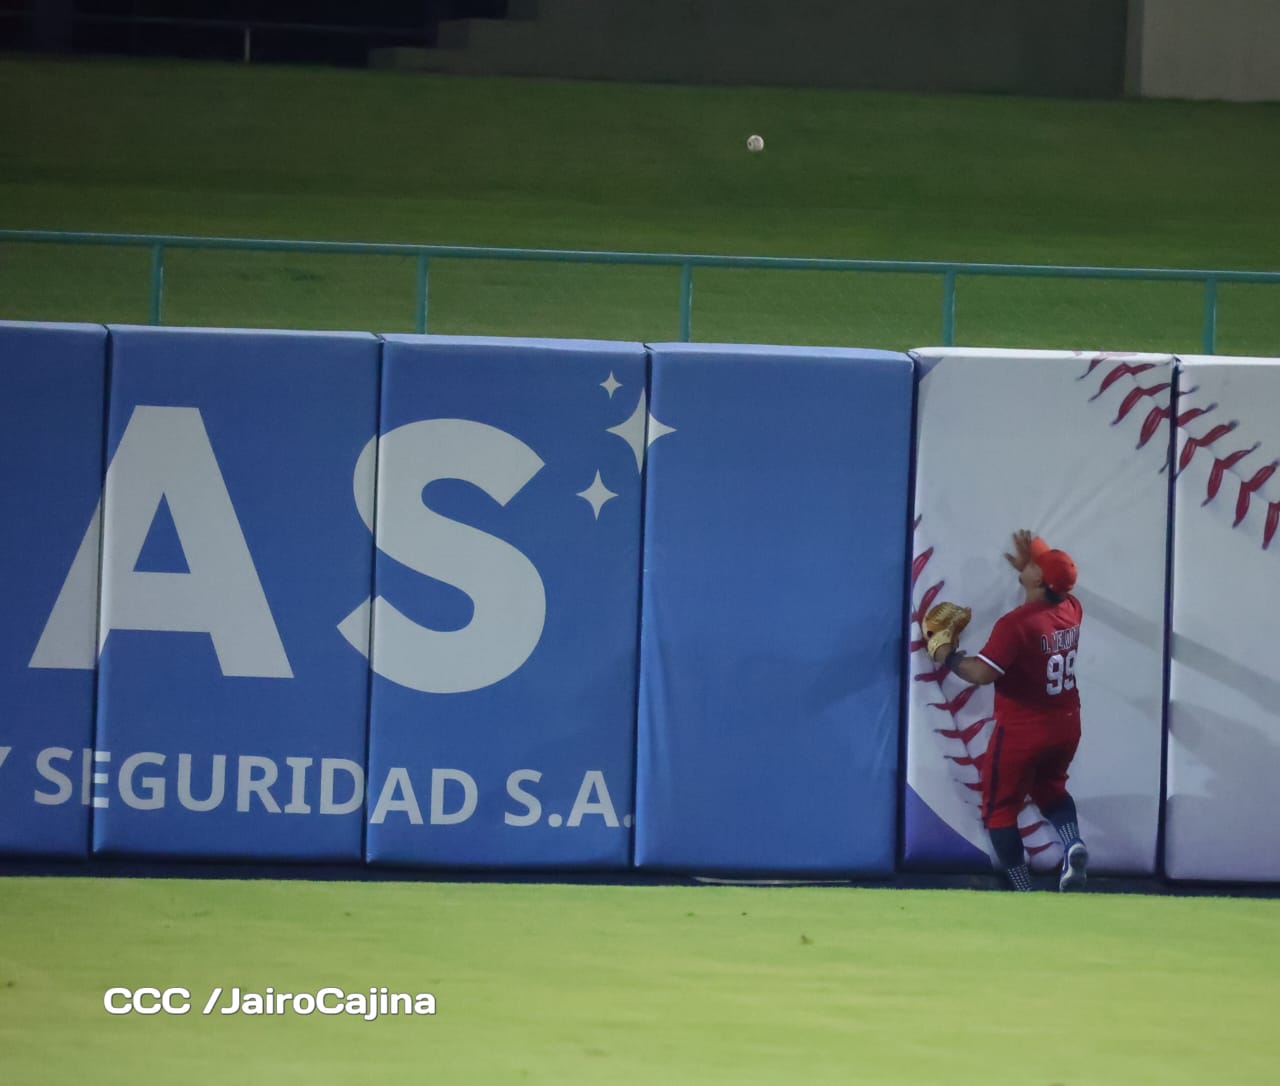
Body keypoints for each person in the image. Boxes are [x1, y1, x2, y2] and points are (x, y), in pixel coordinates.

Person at [930, 529, 1088, 892]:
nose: (1030, 561)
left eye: (1036, 563)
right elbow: (1053, 588)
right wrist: (1031, 572)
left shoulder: (1016, 624)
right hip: (1066, 724)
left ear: (1040, 581)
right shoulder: (1072, 608)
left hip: (1023, 730)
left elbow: (980, 674)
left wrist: (947, 655)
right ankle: (1073, 843)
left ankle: (1022, 890)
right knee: (1050, 788)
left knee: (999, 810)